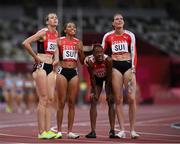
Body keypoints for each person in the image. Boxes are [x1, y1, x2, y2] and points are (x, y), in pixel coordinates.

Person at [101, 13, 140, 139]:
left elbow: (133, 51)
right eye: (116, 19)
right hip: (115, 67)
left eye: (121, 19)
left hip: (128, 66)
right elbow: (101, 52)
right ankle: (122, 130)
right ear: (113, 23)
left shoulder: (130, 35)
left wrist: (133, 69)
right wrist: (105, 58)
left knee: (132, 98)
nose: (119, 20)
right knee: (118, 99)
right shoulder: (108, 36)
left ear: (123, 22)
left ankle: (133, 130)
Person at [22, 13, 59, 139]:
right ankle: (41, 132)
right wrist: (36, 57)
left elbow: (56, 49)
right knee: (43, 99)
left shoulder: (56, 33)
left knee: (49, 99)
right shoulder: (43, 32)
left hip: (50, 66)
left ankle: (48, 130)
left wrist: (57, 59)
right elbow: (26, 43)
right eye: (52, 17)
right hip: (41, 66)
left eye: (56, 17)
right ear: (47, 22)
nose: (55, 19)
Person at [55, 22, 84, 139]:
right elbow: (54, 56)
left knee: (72, 102)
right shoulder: (59, 41)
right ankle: (59, 131)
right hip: (62, 71)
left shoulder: (78, 42)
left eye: (74, 27)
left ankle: (70, 131)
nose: (73, 28)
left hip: (74, 72)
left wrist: (80, 51)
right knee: (61, 102)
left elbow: (82, 61)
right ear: (65, 30)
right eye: (70, 27)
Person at [85, 43, 116, 138]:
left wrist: (109, 93)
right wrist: (93, 91)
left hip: (107, 78)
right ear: (93, 54)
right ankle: (93, 131)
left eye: (101, 52)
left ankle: (112, 130)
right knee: (93, 100)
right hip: (96, 80)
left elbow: (109, 78)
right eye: (97, 53)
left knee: (111, 101)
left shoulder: (108, 60)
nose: (99, 54)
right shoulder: (90, 61)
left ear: (103, 52)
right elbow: (92, 78)